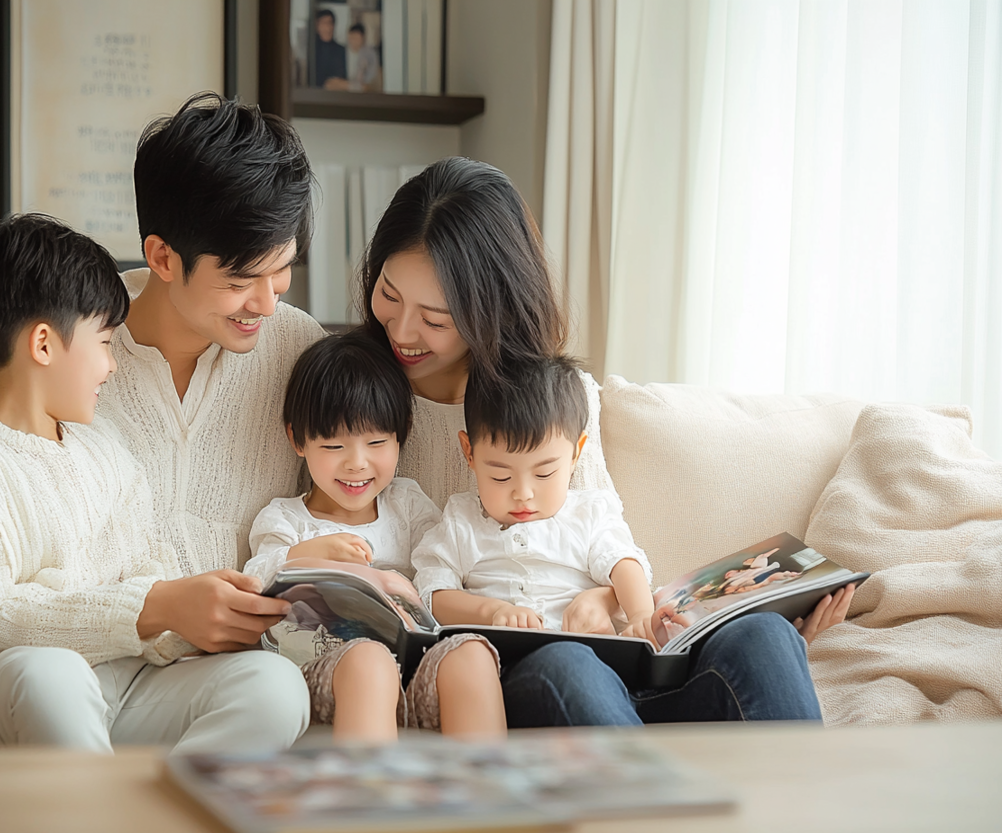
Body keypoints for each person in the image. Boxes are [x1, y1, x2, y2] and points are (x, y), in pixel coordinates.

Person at [356, 155, 857, 726]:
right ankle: (643, 780)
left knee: (765, 637)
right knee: (570, 665)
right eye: (389, 294)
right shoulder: (355, 408)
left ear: (488, 309)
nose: (402, 331)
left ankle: (786, 780)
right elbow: (411, 588)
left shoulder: (559, 401)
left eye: (435, 318)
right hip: (527, 671)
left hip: (616, 663)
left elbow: (607, 547)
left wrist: (607, 601)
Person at [0, 94, 323, 750]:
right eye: (243, 278)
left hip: (179, 681)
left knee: (276, 688)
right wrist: (153, 608)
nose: (267, 303)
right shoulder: (50, 344)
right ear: (163, 256)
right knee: (50, 680)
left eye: (283, 269)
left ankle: (160, 813)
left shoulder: (299, 352)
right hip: (42, 667)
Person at [243, 331, 505, 742]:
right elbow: (255, 581)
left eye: (377, 442)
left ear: (401, 435)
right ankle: (371, 781)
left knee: (472, 654)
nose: (356, 463)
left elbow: (441, 570)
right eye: (334, 446)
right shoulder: (285, 519)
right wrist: (307, 555)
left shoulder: (408, 504)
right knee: (369, 660)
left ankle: (490, 779)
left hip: (413, 666)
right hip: (329, 672)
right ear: (298, 440)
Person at [412, 356, 657, 639]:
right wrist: (492, 612)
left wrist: (641, 616)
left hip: (575, 646)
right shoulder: (462, 521)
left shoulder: (588, 514)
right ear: (469, 452)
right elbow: (432, 592)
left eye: (544, 474)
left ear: (575, 453)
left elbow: (625, 564)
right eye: (501, 477)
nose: (523, 494)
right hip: (495, 649)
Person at [313, 9, 347, 88]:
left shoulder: (341, 51)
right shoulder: (312, 50)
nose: (328, 28)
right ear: (317, 26)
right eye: (324, 23)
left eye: (330, 23)